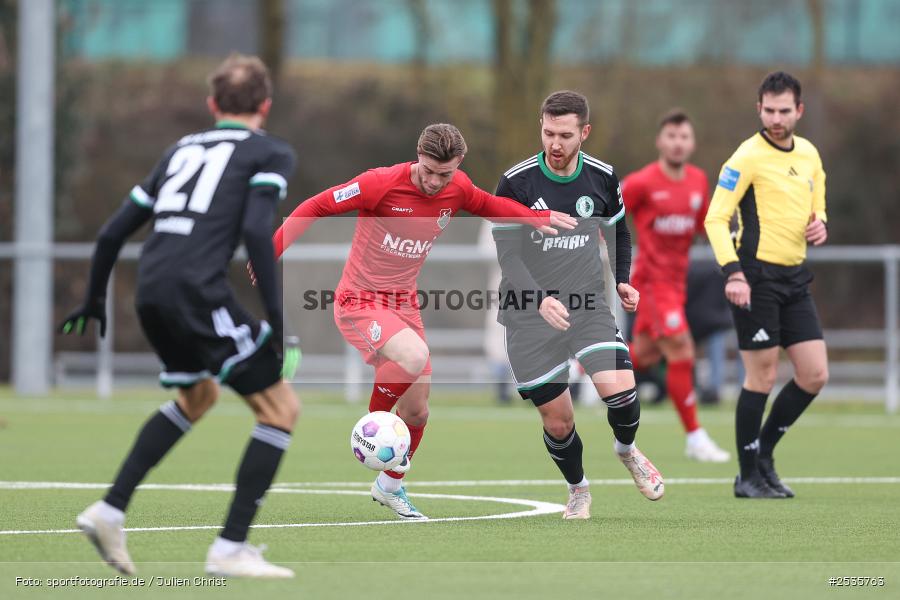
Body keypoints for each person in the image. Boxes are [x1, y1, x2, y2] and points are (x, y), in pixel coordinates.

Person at [59, 54, 300, 577]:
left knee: (198, 395)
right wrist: (277, 319)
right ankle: (230, 548)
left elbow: (110, 233)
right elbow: (259, 230)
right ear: (266, 105)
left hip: (152, 290)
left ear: (213, 104)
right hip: (198, 292)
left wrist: (94, 298)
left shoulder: (180, 149)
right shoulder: (270, 152)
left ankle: (109, 510)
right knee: (280, 410)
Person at [265, 123, 576, 520]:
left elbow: (485, 204)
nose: (433, 181)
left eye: (443, 174)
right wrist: (271, 249)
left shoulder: (456, 187)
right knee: (414, 355)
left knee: (417, 413)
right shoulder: (379, 184)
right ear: (418, 155)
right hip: (359, 300)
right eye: (427, 170)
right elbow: (316, 205)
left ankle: (389, 486)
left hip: (404, 305)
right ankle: (370, 428)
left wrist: (537, 217)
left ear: (458, 165)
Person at [492, 90, 665, 521]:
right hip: (528, 315)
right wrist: (540, 300)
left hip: (587, 306)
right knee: (558, 423)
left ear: (584, 133)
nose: (555, 143)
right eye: (549, 133)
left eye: (565, 135)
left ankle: (626, 451)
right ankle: (578, 490)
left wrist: (623, 280)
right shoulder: (516, 183)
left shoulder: (603, 178)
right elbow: (507, 256)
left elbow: (619, 233)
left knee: (622, 395)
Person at [705, 71, 829, 499]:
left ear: (799, 111)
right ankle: (746, 475)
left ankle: (765, 456)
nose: (776, 118)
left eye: (784, 110)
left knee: (814, 374)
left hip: (795, 278)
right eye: (769, 110)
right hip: (754, 278)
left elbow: (818, 205)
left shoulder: (810, 154)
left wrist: (820, 225)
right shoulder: (746, 157)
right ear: (759, 109)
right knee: (762, 375)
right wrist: (733, 273)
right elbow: (715, 218)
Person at [621, 110, 730, 463]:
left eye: (684, 137)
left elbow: (707, 225)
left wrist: (734, 240)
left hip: (677, 284)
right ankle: (695, 437)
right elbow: (610, 213)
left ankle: (589, 367)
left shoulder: (698, 181)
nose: (678, 143)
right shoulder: (642, 182)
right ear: (660, 141)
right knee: (682, 349)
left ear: (692, 143)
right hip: (650, 284)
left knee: (647, 354)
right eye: (671, 136)